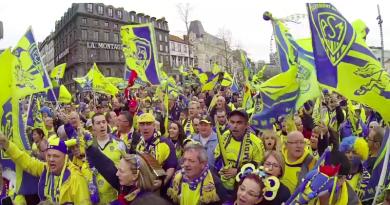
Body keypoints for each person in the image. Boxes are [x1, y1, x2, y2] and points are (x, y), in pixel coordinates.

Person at [0, 133, 91, 204]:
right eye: (49, 155)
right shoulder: (45, 169)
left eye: (56, 156)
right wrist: (6, 144)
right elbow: (26, 161)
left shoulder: (76, 178)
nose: (51, 159)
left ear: (65, 157)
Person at [85, 144, 163, 204]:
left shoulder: (143, 201)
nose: (116, 174)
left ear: (135, 176)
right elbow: (108, 167)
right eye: (118, 169)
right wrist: (89, 148)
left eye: (121, 171)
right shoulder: (127, 188)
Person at [214, 109, 265, 192]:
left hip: (244, 188)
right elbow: (217, 155)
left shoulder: (256, 143)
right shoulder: (225, 136)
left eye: (239, 122)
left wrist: (238, 171)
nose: (235, 126)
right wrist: (221, 168)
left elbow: (259, 168)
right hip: (223, 185)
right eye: (232, 122)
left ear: (246, 125)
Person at [86, 113, 127, 204]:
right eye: (98, 123)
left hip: (116, 197)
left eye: (103, 122)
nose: (102, 125)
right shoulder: (89, 147)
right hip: (97, 199)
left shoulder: (119, 143)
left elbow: (129, 167)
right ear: (93, 127)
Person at [136, 113, 177, 186]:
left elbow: (171, 167)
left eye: (148, 124)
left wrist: (163, 182)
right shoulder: (139, 144)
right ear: (139, 127)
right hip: (142, 185)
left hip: (158, 188)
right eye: (142, 124)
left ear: (154, 126)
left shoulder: (166, 143)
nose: (145, 127)